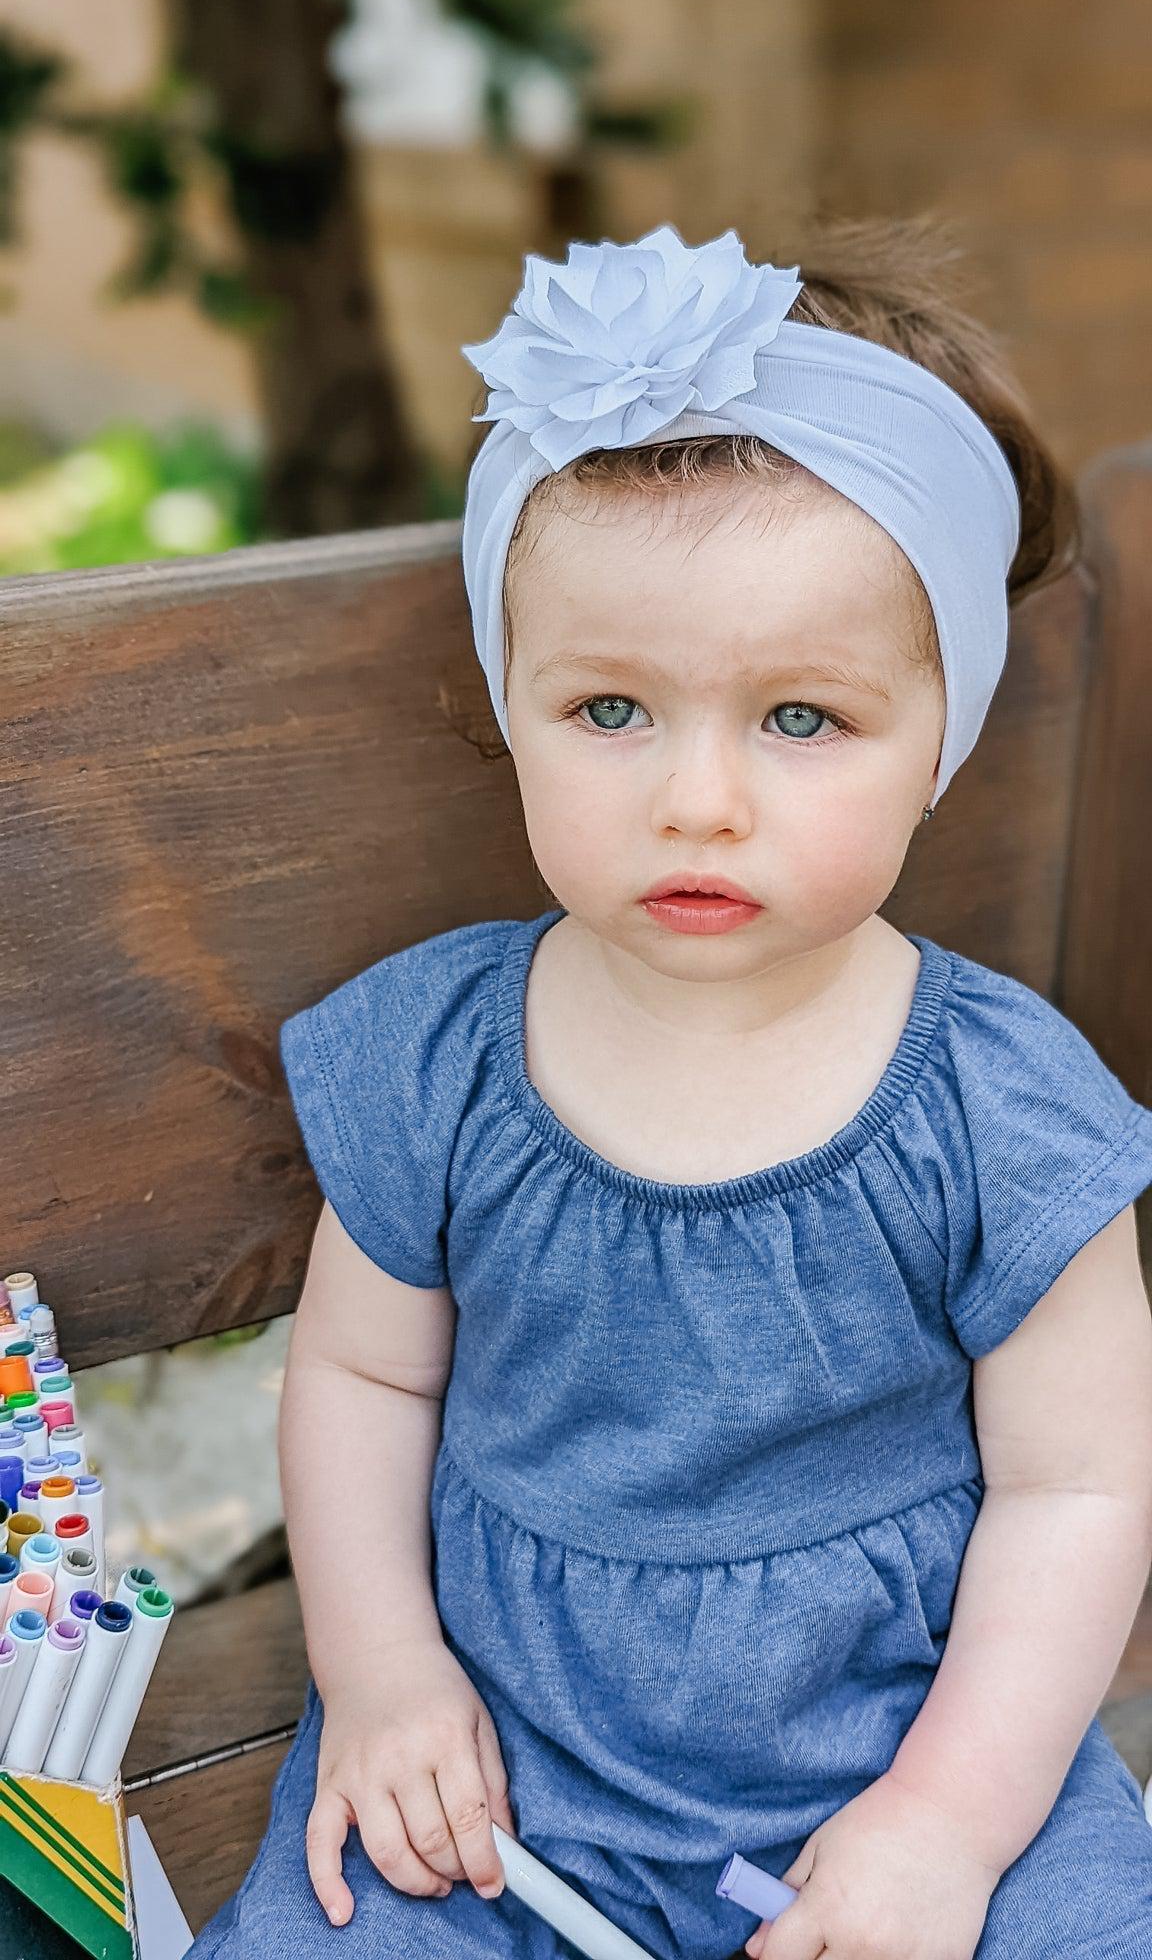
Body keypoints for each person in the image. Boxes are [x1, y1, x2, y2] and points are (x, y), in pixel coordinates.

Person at [189, 219, 1152, 1960]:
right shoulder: (443, 1056)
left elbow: (1078, 1490)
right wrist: (385, 1674)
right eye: (613, 709)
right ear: (513, 701)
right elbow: (360, 1372)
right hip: (504, 1756)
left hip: (908, 1741)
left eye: (802, 720)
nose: (697, 800)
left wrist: (946, 1825)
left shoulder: (1001, 1111)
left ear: (941, 740)